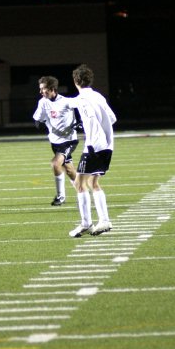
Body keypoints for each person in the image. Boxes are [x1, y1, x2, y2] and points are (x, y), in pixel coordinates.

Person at [66, 65, 117, 237]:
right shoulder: (99, 96)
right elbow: (112, 118)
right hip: (108, 146)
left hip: (94, 146)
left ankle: (91, 222)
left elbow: (70, 103)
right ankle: (101, 221)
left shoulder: (81, 100)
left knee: (80, 184)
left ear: (75, 81)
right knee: (92, 183)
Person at [33, 75, 79, 205]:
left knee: (55, 164)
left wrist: (80, 122)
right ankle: (83, 190)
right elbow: (38, 117)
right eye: (40, 89)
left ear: (52, 88)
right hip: (55, 142)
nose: (41, 92)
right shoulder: (43, 102)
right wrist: (38, 121)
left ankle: (61, 197)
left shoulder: (66, 102)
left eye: (43, 89)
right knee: (70, 171)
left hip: (69, 141)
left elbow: (82, 105)